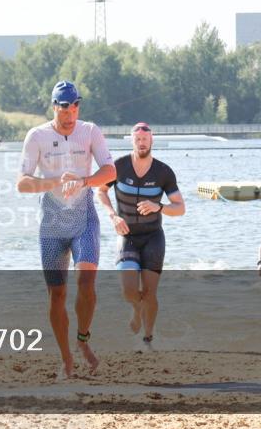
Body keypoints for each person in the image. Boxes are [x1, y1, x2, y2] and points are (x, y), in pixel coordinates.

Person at [17, 81, 116, 379]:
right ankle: (66, 359)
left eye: (74, 107)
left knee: (87, 281)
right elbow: (22, 182)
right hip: (52, 225)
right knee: (56, 295)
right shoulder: (37, 136)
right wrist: (54, 182)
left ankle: (83, 339)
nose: (70, 113)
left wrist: (84, 181)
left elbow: (110, 171)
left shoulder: (90, 131)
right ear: (54, 107)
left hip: (84, 219)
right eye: (64, 107)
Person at [96, 122, 185, 351]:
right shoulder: (118, 167)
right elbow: (101, 191)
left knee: (150, 292)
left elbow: (180, 208)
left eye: (145, 139)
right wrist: (113, 216)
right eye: (138, 139)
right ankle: (136, 309)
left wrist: (159, 207)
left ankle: (148, 337)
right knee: (128, 289)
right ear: (132, 141)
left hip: (153, 237)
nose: (142, 142)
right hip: (127, 235)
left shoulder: (163, 172)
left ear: (152, 140)